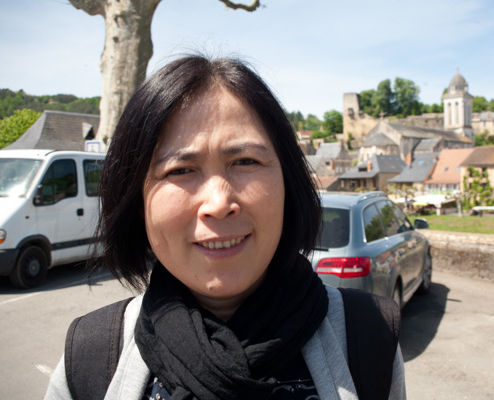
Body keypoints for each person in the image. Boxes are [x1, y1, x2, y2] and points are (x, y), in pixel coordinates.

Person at [45, 55, 406, 400]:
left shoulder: (369, 336)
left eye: (245, 161)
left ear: (289, 182)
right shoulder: (89, 357)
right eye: (180, 170)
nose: (219, 203)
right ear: (136, 201)